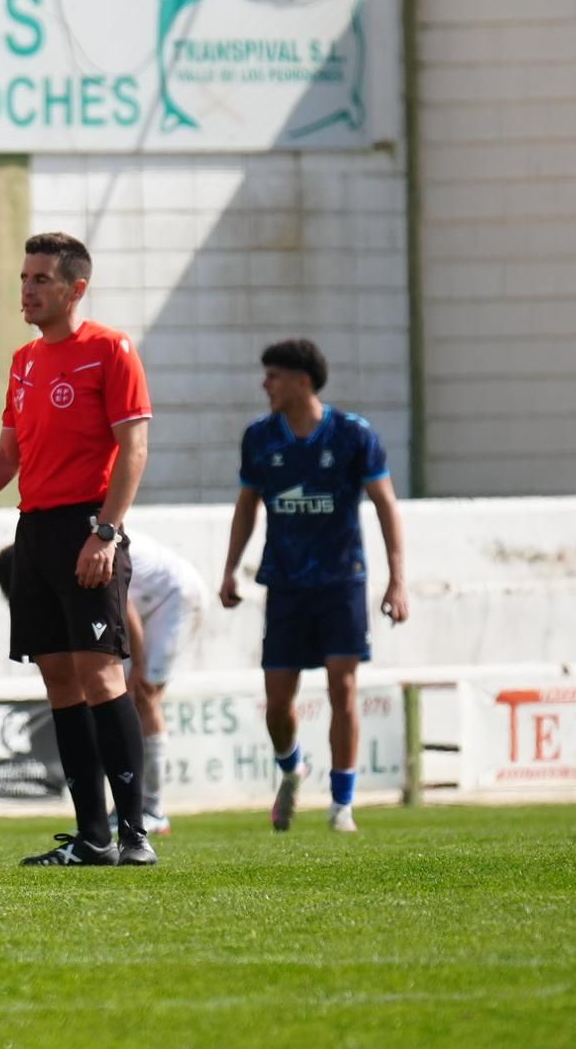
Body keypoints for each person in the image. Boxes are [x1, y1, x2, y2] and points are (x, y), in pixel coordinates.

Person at [0, 231, 156, 867]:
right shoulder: (25, 361)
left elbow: (134, 449)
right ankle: (92, 836)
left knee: (100, 673)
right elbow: (8, 455)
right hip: (34, 531)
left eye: (41, 279)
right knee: (59, 679)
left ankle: (134, 832)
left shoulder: (110, 350)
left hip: (88, 527)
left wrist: (106, 532)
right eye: (25, 278)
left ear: (75, 288)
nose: (27, 290)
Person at [219, 338, 409, 833]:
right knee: (278, 700)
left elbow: (386, 504)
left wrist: (397, 581)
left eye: (273, 376)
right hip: (284, 583)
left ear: (302, 381)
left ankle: (342, 804)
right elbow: (247, 505)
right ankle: (291, 767)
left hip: (341, 581)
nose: (265, 385)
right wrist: (230, 567)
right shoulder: (260, 438)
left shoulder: (352, 435)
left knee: (342, 689)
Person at [0, 527, 206, 836]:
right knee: (119, 695)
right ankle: (125, 807)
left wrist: (140, 668)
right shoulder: (45, 554)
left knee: (143, 695)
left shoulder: (62, 551)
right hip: (140, 601)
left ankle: (152, 809)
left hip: (174, 596)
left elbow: (124, 605)